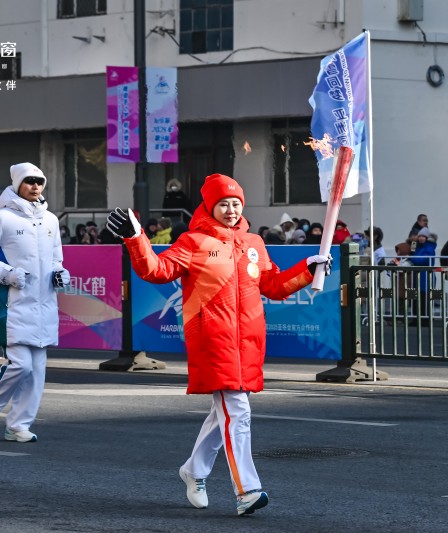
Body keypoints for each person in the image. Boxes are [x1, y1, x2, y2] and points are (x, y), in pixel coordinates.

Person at [106, 173, 331, 516]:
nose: (230, 209)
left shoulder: (254, 242)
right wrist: (136, 238)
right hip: (213, 339)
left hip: (249, 340)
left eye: (235, 203)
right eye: (223, 204)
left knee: (223, 413)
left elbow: (271, 285)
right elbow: (157, 270)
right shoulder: (193, 241)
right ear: (210, 207)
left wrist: (307, 268)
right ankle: (248, 491)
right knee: (237, 411)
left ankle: (194, 470)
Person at [0, 162, 69, 444]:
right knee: (20, 365)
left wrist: (60, 273)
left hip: (44, 304)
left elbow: (56, 258)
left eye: (40, 181)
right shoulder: (1, 219)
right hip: (13, 304)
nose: (36, 186)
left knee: (36, 371)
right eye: (29, 181)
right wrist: (6, 274)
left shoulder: (50, 220)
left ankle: (18, 425)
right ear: (17, 184)